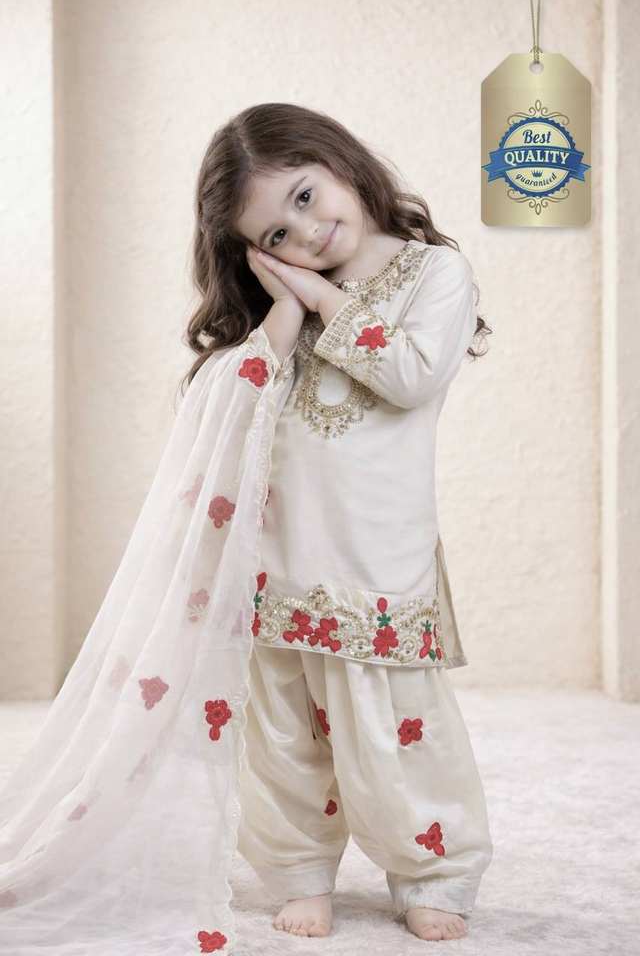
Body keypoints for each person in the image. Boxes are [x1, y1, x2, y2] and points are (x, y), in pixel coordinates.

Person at [0, 102, 492, 954]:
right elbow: (234, 396)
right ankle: (299, 870)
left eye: (304, 196)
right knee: (285, 730)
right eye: (277, 236)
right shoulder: (287, 308)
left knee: (395, 729)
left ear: (338, 159)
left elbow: (412, 376)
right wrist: (286, 310)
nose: (308, 231)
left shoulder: (433, 274)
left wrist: (316, 292)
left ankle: (433, 871)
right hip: (275, 558)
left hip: (377, 554)